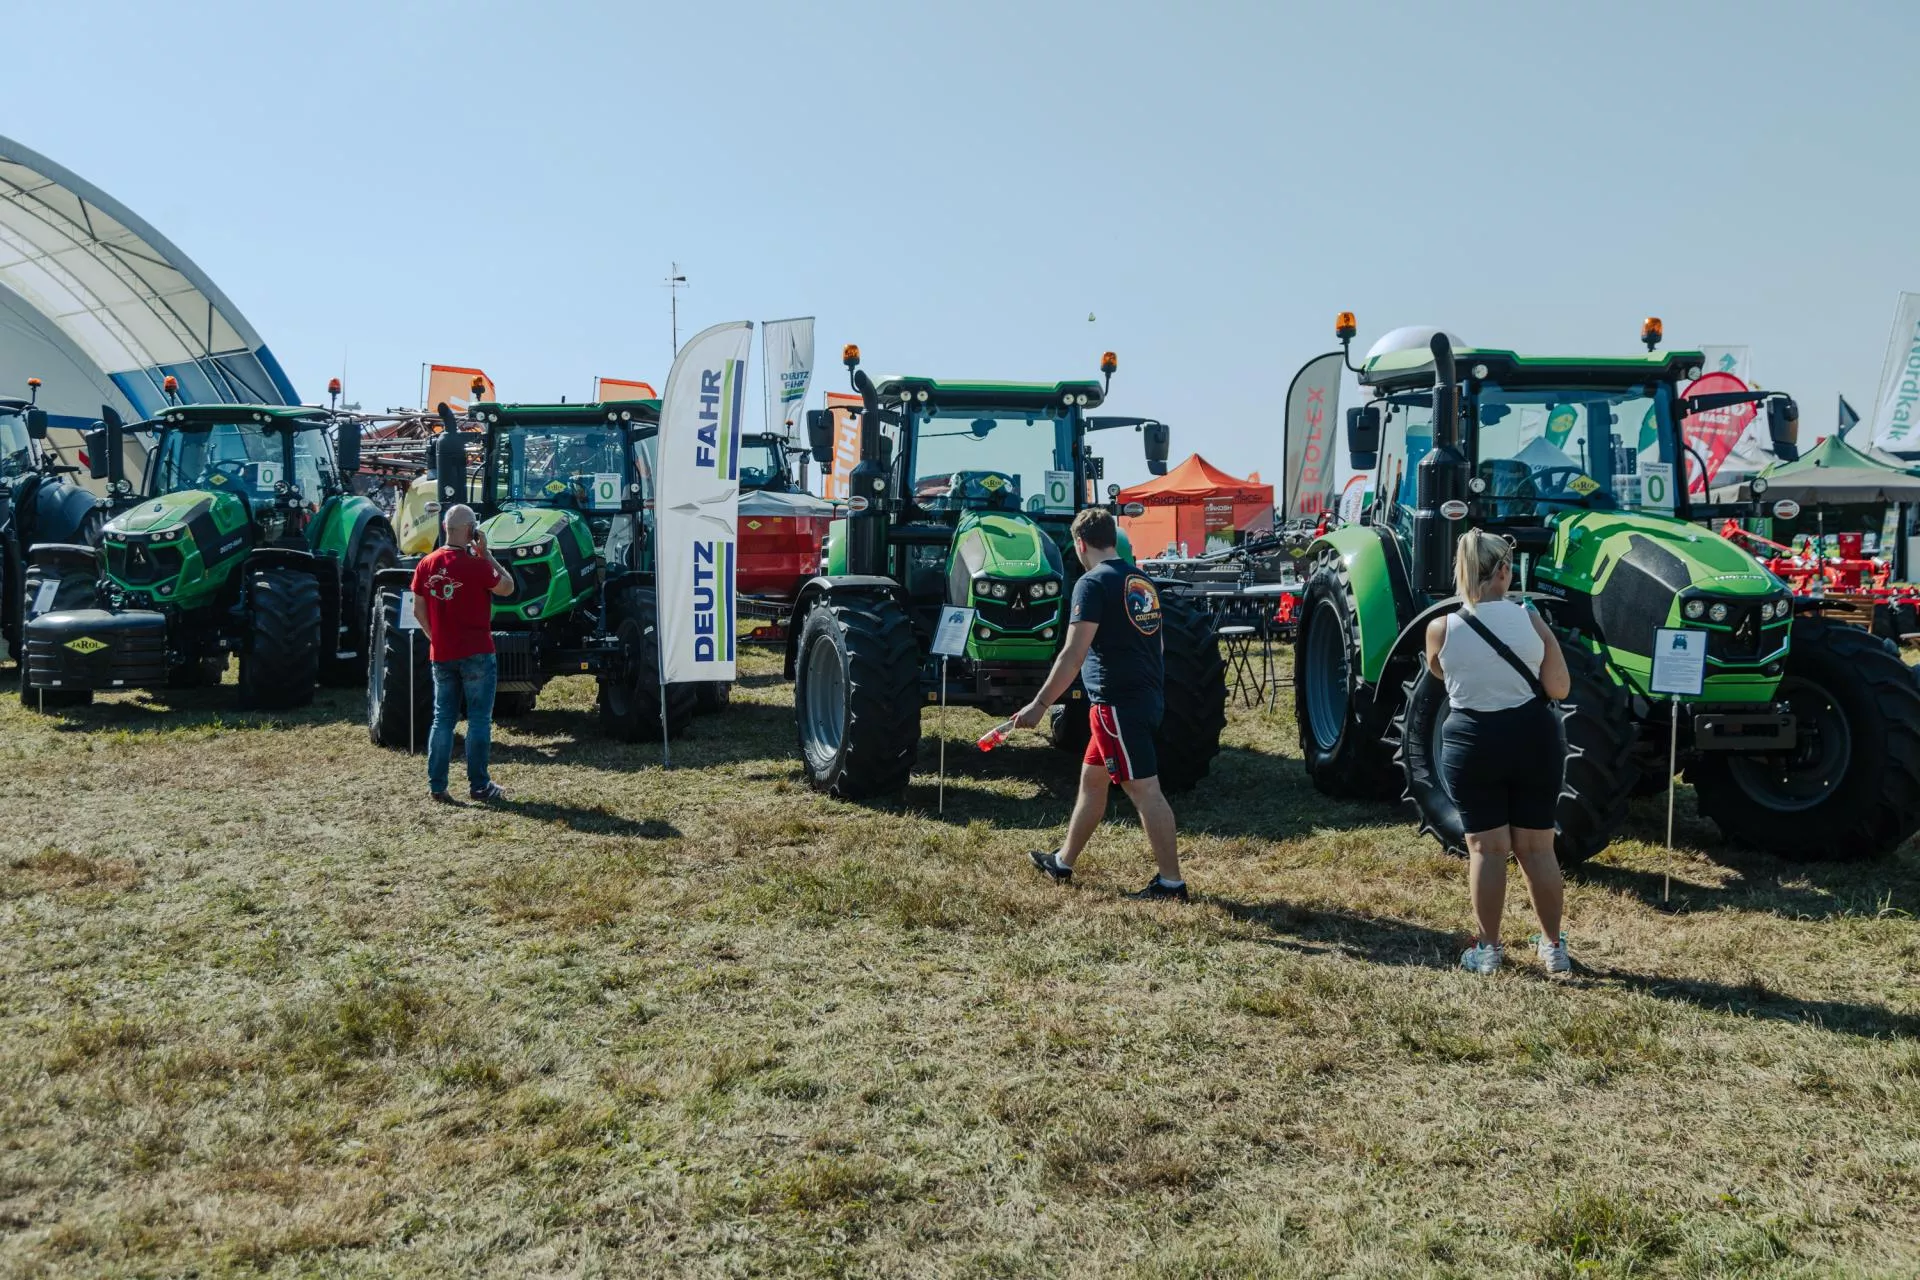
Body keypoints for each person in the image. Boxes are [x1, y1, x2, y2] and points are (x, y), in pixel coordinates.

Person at [1013, 508, 1188, 901]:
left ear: (1080, 544)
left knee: (1145, 791)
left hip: (1115, 705)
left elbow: (1073, 655)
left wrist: (1040, 704)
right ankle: (1063, 861)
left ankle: (1171, 883)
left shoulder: (1091, 584)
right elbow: (1156, 645)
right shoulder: (1141, 581)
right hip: (1144, 698)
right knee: (1092, 783)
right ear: (1115, 538)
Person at [1424, 529, 1573, 975]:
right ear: (1505, 570)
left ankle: (1488, 950)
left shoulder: (1440, 627)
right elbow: (1559, 688)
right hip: (1533, 739)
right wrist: (1542, 635)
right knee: (1538, 848)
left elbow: (1440, 675)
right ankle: (1552, 947)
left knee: (1487, 850)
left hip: (1472, 742)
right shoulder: (1530, 620)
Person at [411, 504, 516, 803]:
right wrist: (489, 555)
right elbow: (508, 588)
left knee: (442, 719)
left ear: (445, 527)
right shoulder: (478, 564)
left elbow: (418, 610)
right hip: (478, 652)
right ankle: (480, 785)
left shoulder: (426, 564)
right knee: (479, 720)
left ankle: (437, 785)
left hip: (442, 654)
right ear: (471, 531)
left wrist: (436, 638)